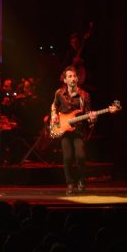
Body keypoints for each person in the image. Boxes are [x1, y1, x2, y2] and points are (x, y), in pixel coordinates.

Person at [51, 66, 95, 195]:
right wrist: (53, 114)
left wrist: (92, 118)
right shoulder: (59, 93)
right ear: (65, 80)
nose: (73, 78)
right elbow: (54, 105)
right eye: (69, 76)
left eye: (74, 76)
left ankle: (81, 180)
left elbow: (88, 114)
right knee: (67, 158)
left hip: (78, 130)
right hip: (64, 129)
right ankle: (70, 183)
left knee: (80, 156)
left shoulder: (85, 95)